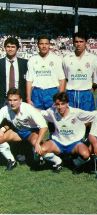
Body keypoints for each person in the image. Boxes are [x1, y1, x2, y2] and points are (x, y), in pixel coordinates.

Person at [0, 88, 62, 172]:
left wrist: (37, 143)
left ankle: (57, 161)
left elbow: (44, 127)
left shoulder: (28, 109)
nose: (12, 103)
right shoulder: (5, 109)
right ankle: (11, 161)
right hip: (18, 132)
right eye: (10, 100)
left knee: (40, 149)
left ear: (21, 100)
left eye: (15, 100)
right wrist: (2, 129)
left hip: (31, 132)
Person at [38, 92, 97, 169]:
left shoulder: (76, 112)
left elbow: (94, 115)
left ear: (67, 104)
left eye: (62, 104)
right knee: (40, 151)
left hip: (74, 143)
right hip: (58, 143)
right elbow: (39, 113)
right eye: (57, 104)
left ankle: (75, 163)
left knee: (85, 155)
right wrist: (27, 107)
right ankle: (58, 161)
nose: (60, 107)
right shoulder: (52, 111)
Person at [0, 37, 28, 170]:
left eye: (13, 46)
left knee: (20, 126)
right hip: (3, 99)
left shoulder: (24, 63)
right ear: (4, 48)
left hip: (19, 100)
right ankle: (6, 155)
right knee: (3, 126)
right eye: (8, 46)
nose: (10, 49)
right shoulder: (0, 63)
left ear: (17, 48)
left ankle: (21, 153)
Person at [26, 35, 66, 110]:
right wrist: (28, 98)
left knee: (54, 119)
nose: (44, 46)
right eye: (41, 44)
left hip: (52, 92)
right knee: (37, 119)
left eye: (46, 44)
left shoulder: (56, 59)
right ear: (37, 45)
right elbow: (29, 81)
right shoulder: (32, 60)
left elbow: (62, 80)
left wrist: (60, 97)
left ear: (49, 45)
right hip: (37, 93)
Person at [63, 32, 97, 111]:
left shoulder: (93, 58)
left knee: (87, 121)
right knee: (70, 120)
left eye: (81, 41)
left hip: (86, 94)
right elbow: (65, 77)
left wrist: (91, 90)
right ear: (73, 43)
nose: (78, 44)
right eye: (76, 42)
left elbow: (96, 79)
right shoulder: (66, 58)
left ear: (86, 42)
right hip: (70, 93)